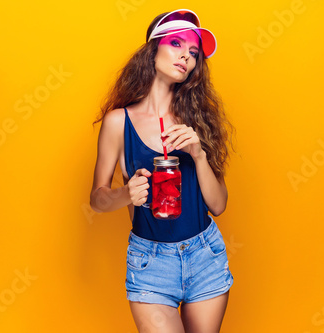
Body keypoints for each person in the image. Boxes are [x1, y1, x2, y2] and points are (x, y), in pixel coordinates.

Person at [90, 9, 235, 332]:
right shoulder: (118, 123)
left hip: (204, 254)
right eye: (176, 43)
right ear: (153, 49)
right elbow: (97, 199)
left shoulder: (199, 120)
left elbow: (219, 205)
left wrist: (198, 155)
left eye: (193, 53)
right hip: (151, 262)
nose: (186, 55)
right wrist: (124, 194)